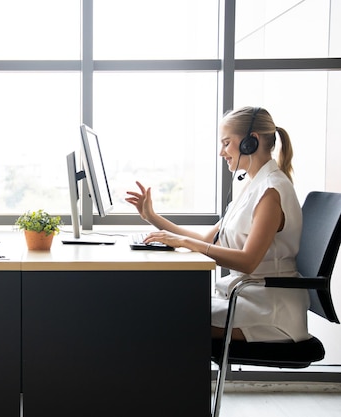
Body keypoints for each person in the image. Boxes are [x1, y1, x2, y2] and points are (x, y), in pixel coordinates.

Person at [125, 106, 309, 343]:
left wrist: (184, 242)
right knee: (160, 307)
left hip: (270, 312)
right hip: (249, 298)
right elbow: (206, 241)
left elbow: (248, 261)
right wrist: (152, 217)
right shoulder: (253, 187)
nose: (222, 152)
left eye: (226, 143)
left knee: (162, 316)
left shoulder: (271, 191)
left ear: (250, 142)